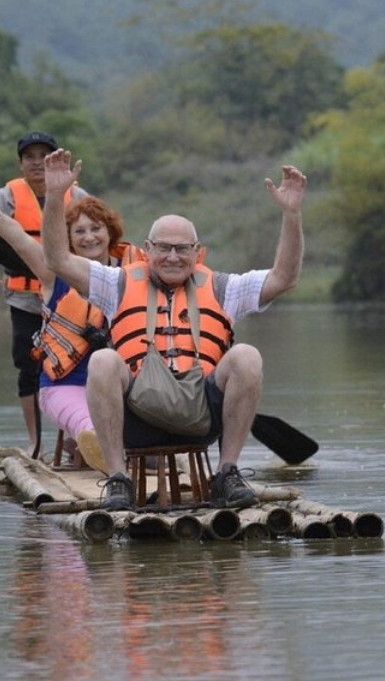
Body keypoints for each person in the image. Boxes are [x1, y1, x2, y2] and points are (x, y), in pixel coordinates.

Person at [40, 148, 307, 511]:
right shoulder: (114, 284)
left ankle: (227, 474)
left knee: (247, 356)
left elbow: (284, 277)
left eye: (182, 249)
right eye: (163, 248)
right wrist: (55, 198)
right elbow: (57, 257)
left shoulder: (224, 288)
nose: (172, 257)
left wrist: (291, 214)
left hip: (202, 414)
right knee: (103, 360)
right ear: (146, 250)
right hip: (136, 416)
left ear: (199, 254)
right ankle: (118, 479)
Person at [0, 163, 138, 471]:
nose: (89, 237)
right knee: (90, 426)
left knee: (154, 415)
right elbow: (20, 241)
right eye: (79, 231)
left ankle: (110, 449)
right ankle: (96, 447)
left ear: (111, 233)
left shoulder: (133, 276)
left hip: (118, 384)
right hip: (65, 385)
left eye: (96, 229)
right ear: (67, 240)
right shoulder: (53, 274)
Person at [0, 132, 89, 458]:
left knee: (75, 363)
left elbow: (97, 231)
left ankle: (76, 440)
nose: (36, 163)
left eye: (44, 155)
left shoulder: (76, 194)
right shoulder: (7, 196)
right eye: (29, 156)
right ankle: (36, 442)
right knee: (28, 366)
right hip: (25, 299)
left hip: (68, 299)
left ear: (54, 160)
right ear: (20, 163)